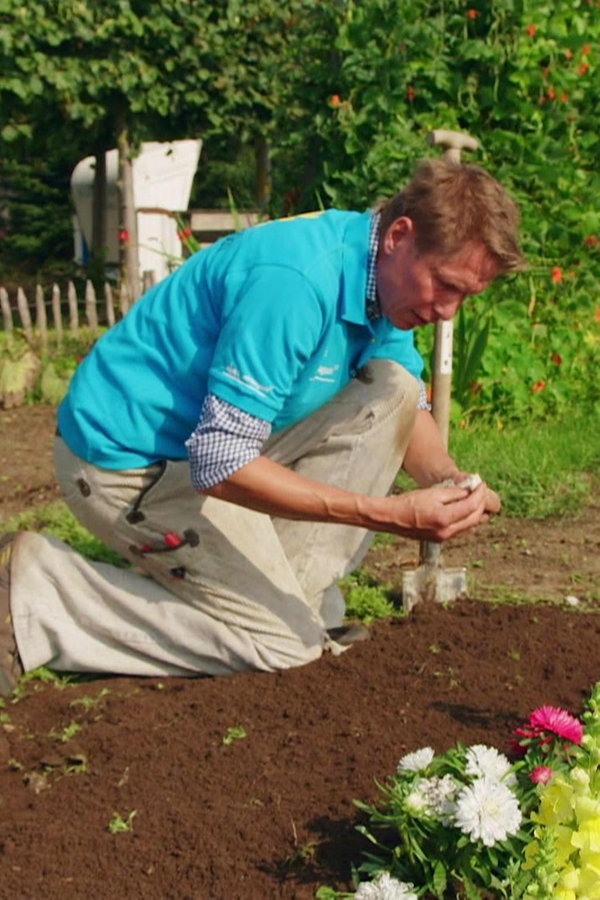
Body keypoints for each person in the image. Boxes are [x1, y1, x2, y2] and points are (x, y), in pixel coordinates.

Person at [0, 157, 524, 695]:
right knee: (284, 648)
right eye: (445, 284)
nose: (448, 311)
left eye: (465, 297)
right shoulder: (296, 281)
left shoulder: (378, 285)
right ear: (399, 236)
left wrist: (447, 478)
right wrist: (385, 514)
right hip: (129, 463)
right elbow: (221, 461)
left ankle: (287, 604)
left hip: (206, 447)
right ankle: (41, 594)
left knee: (390, 385)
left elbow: (406, 401)